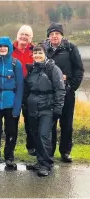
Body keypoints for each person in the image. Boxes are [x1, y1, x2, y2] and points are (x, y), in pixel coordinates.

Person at [44, 23, 85, 163]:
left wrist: (72, 87)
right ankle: (49, 151)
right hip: (49, 93)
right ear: (48, 36)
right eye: (51, 34)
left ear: (62, 35)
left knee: (66, 123)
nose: (54, 36)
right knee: (50, 123)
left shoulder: (70, 48)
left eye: (57, 33)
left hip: (67, 92)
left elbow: (79, 70)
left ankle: (65, 152)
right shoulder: (44, 48)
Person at [25, 43, 65, 176]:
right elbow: (28, 88)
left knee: (44, 135)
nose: (37, 55)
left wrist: (58, 108)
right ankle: (40, 161)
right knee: (35, 134)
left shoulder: (53, 69)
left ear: (45, 54)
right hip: (33, 106)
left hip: (48, 107)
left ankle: (46, 164)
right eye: (35, 53)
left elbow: (60, 89)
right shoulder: (32, 69)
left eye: (40, 52)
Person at [0, 36, 24, 170]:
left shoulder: (16, 64)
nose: (2, 49)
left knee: (11, 131)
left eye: (5, 46)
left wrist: (17, 107)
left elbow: (20, 87)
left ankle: (9, 157)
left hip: (11, 103)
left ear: (9, 48)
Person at [12, 25, 36, 156]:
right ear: (17, 35)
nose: (24, 37)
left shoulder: (36, 50)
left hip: (30, 90)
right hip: (14, 90)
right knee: (12, 120)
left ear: (31, 38)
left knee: (30, 120)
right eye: (22, 34)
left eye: (27, 35)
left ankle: (31, 146)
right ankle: (11, 147)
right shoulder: (9, 49)